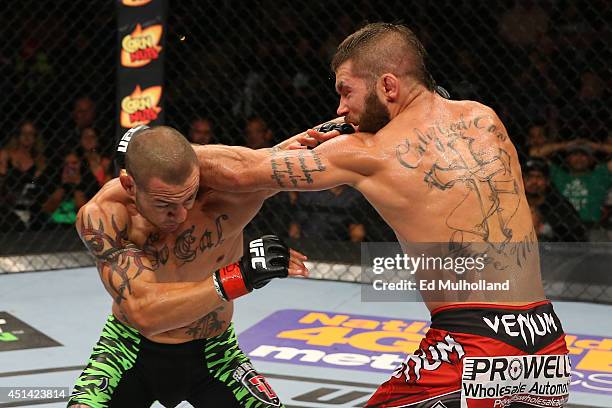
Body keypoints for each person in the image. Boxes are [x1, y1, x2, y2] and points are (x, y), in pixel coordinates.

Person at [195, 23, 570, 407]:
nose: (341, 108)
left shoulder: (369, 152)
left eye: (346, 91)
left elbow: (243, 171)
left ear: (388, 86)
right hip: (548, 341)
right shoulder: (484, 118)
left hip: (473, 345)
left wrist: (148, 150)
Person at [67, 126, 308, 408]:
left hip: (216, 352)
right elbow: (145, 313)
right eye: (165, 204)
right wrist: (241, 277)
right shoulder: (105, 215)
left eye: (188, 198)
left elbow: (309, 158)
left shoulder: (225, 196)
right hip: (127, 349)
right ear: (130, 186)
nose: (180, 214)